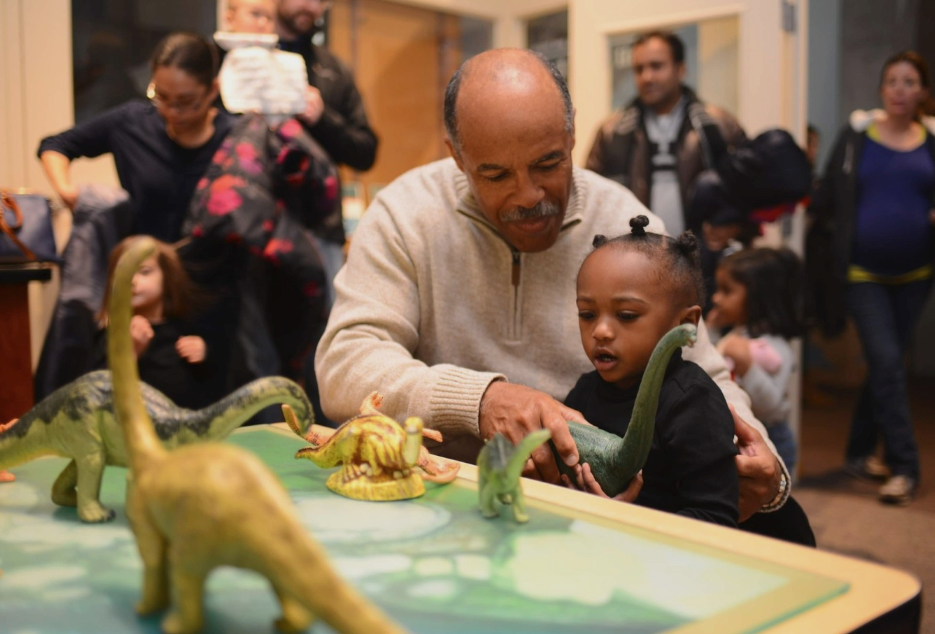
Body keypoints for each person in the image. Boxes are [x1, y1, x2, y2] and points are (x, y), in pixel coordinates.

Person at [315, 48, 791, 525]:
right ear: (457, 156)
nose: (529, 195)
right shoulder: (404, 214)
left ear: (572, 134)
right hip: (437, 499)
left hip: (598, 515)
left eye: (548, 163)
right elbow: (345, 362)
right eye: (496, 174)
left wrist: (767, 468)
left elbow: (703, 372)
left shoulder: (626, 223)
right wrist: (479, 402)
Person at [810, 51, 935, 505]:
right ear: (882, 89)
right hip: (862, 273)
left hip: (917, 274)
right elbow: (827, 193)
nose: (900, 89)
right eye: (892, 80)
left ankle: (859, 453)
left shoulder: (932, 139)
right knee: (887, 361)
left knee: (887, 364)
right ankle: (904, 466)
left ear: (922, 91)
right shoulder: (856, 136)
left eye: (909, 81)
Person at [564, 217, 739, 527]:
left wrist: (627, 521)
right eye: (587, 314)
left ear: (685, 323)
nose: (600, 331)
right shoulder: (583, 392)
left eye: (626, 315)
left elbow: (716, 518)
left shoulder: (694, 402)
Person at [38, 32, 234, 243]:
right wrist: (66, 191)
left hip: (216, 263)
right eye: (162, 97)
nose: (172, 111)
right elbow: (56, 145)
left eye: (185, 101)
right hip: (145, 260)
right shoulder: (132, 123)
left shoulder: (237, 138)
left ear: (212, 90)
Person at [585, 31, 746, 239]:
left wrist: (735, 226)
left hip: (704, 249)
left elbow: (750, 188)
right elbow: (591, 196)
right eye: (639, 69)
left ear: (681, 69)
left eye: (656, 66)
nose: (647, 77)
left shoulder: (720, 124)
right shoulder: (611, 131)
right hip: (634, 251)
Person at [709, 248, 807, 476]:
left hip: (771, 439)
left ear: (758, 297)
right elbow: (711, 365)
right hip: (738, 434)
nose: (716, 298)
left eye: (726, 291)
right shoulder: (737, 333)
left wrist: (748, 367)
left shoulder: (776, 346)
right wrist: (712, 330)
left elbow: (770, 406)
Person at [92, 237, 213, 410]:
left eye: (144, 271)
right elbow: (97, 397)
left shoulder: (186, 328)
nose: (132, 280)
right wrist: (130, 352)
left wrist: (203, 355)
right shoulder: (109, 335)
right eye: (123, 273)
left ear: (167, 276)